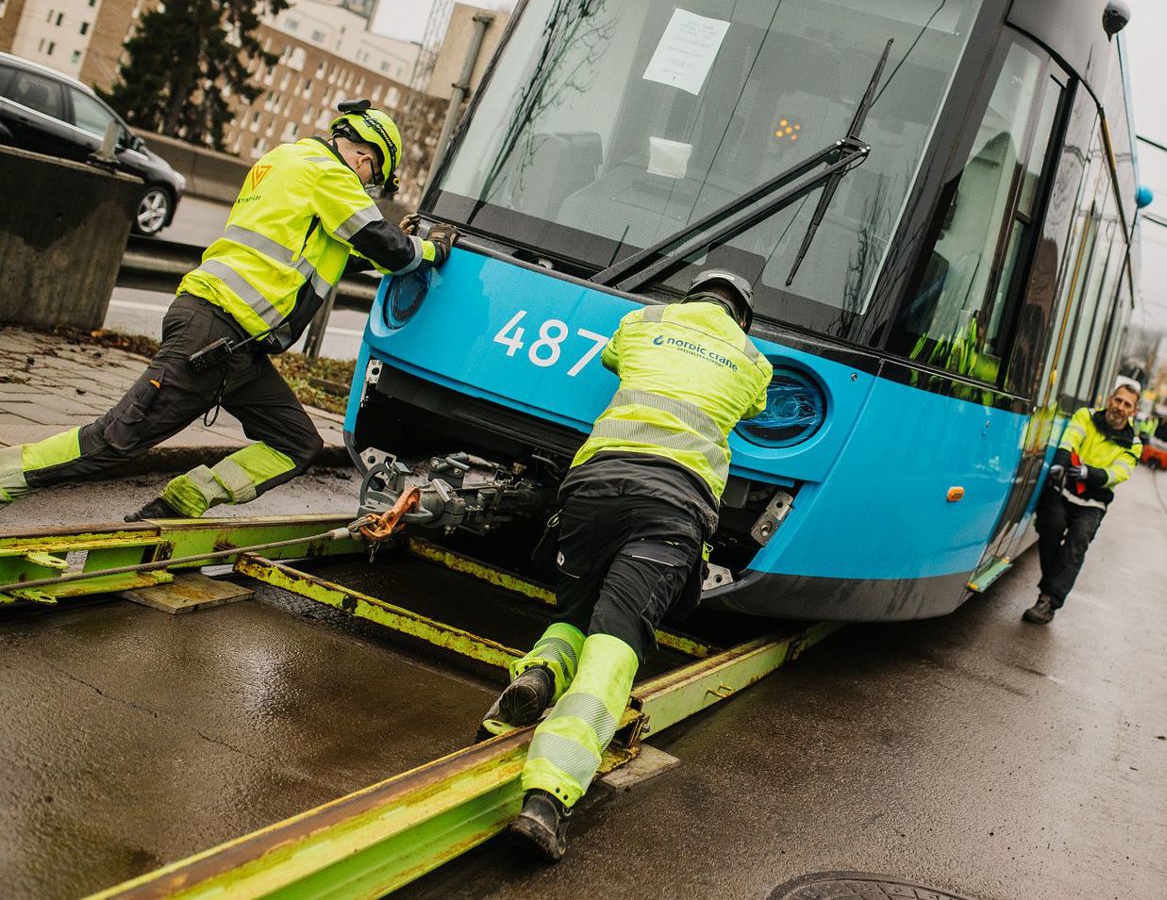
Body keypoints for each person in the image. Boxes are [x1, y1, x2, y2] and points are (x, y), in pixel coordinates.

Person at [0, 101, 450, 518]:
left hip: (237, 345)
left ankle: (181, 503)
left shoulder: (283, 160)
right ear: (366, 155)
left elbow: (337, 252)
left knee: (296, 442)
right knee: (115, 439)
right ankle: (6, 476)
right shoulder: (329, 174)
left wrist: (393, 241)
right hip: (216, 334)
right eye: (371, 178)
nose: (365, 186)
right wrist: (430, 250)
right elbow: (384, 245)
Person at [479, 270, 772, 861]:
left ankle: (538, 675)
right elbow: (755, 409)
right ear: (742, 316)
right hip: (671, 504)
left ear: (691, 296)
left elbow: (613, 359)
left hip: (591, 488)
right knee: (614, 644)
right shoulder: (753, 360)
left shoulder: (644, 322)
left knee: (576, 610)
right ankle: (547, 798)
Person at [1022, 377, 1142, 625]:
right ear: (1109, 400)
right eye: (1117, 400)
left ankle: (1048, 601)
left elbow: (1120, 472)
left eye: (1127, 405)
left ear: (1133, 412)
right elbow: (1070, 439)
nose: (1120, 407)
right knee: (1049, 527)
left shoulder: (1135, 443)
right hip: (1064, 489)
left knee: (1076, 544)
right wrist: (1061, 463)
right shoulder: (1085, 416)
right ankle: (1050, 587)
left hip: (1093, 503)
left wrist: (1091, 474)